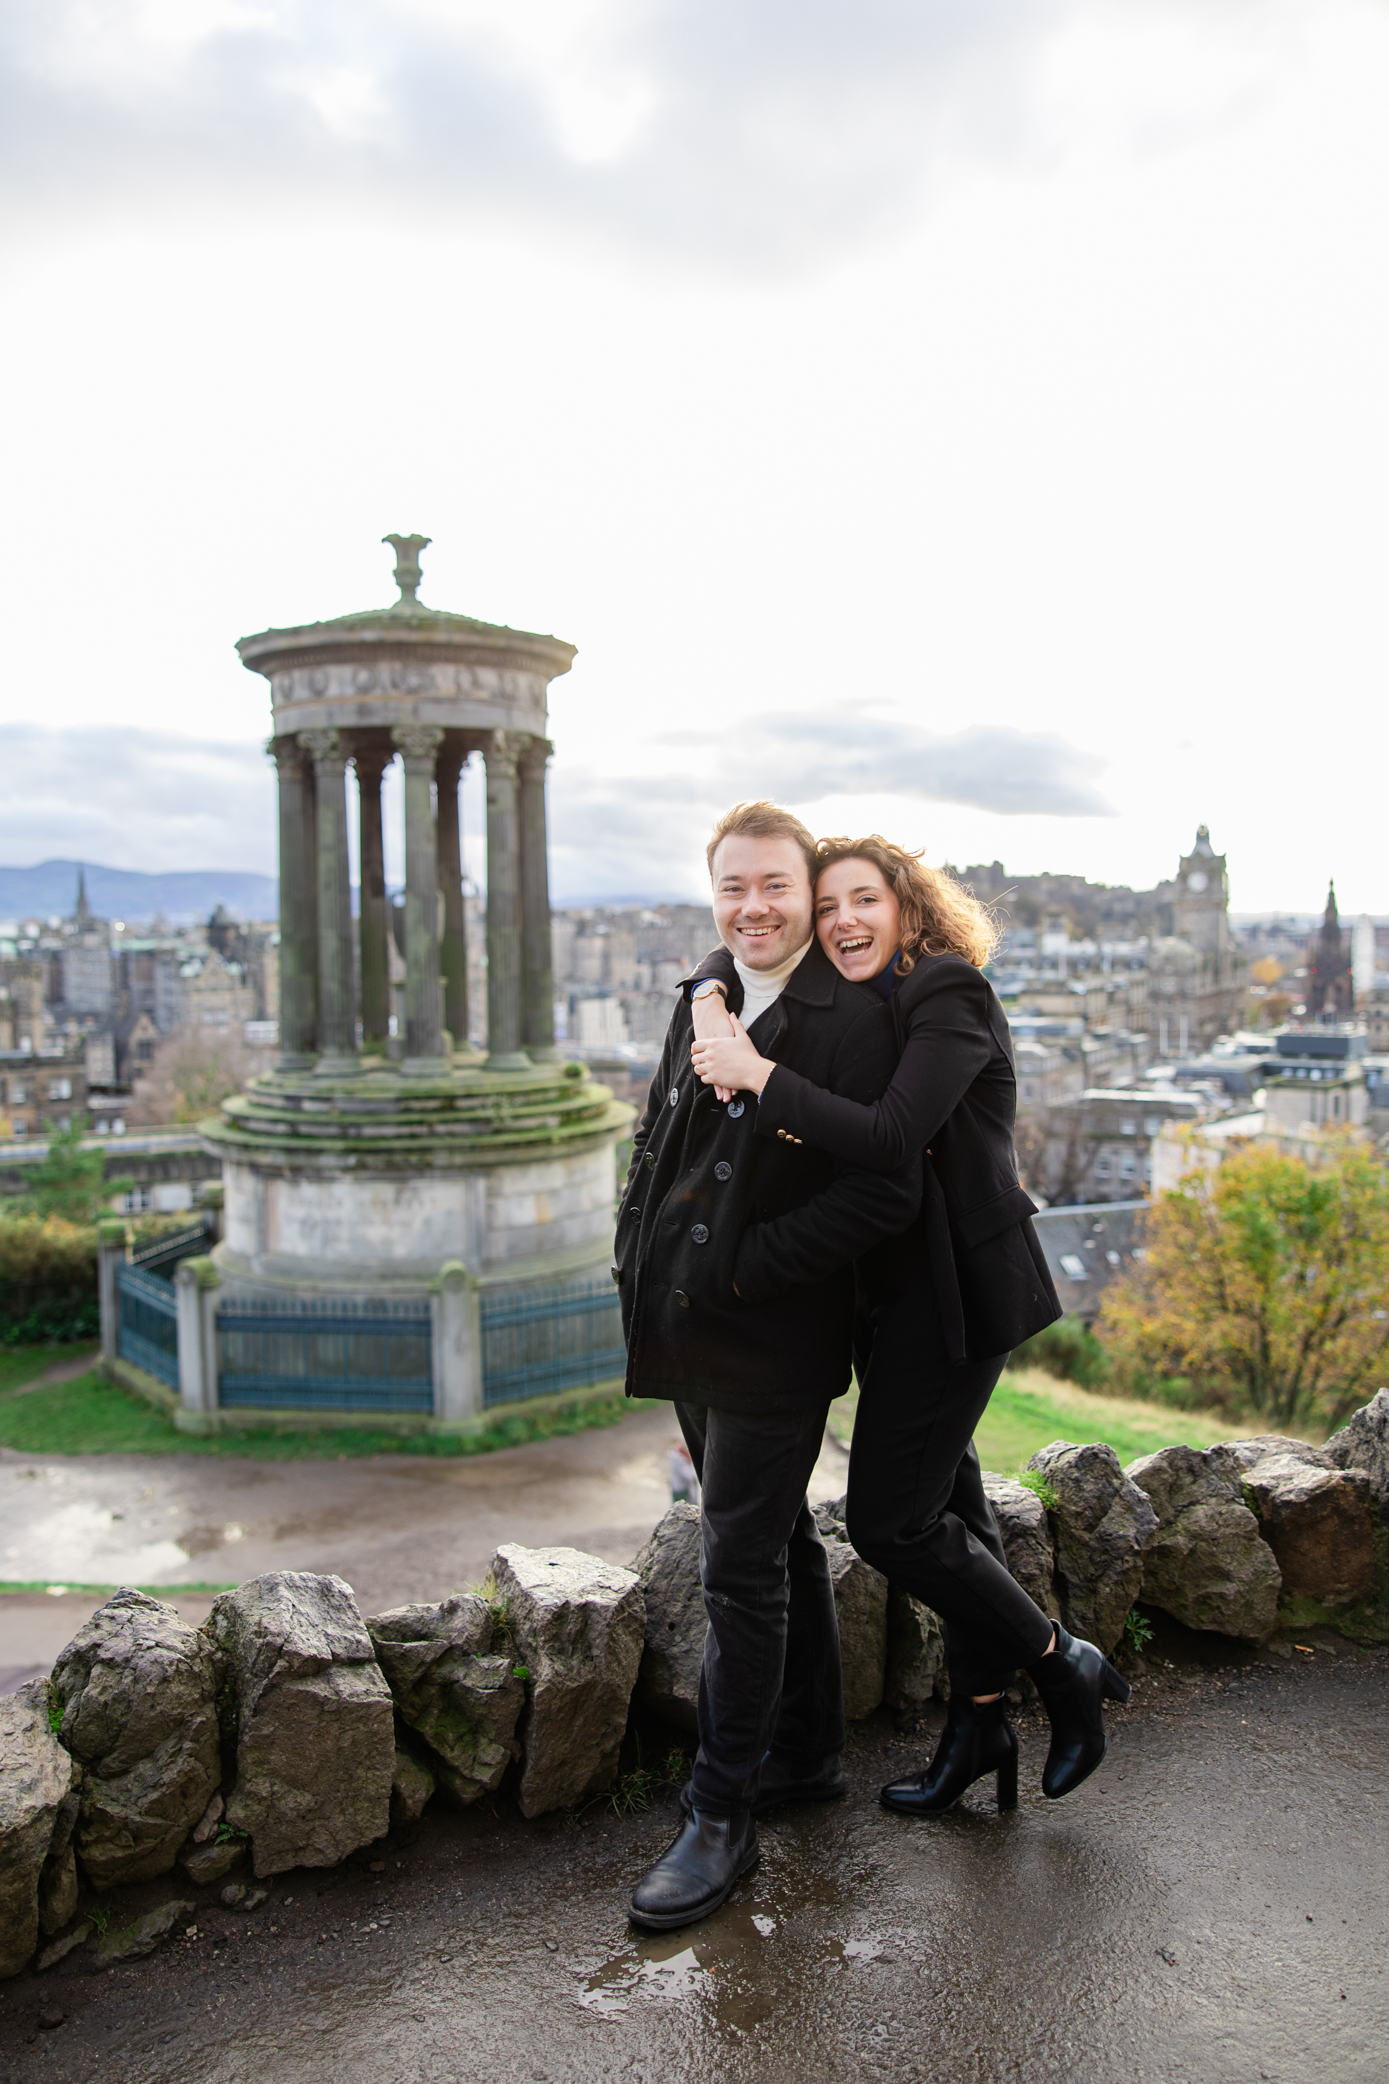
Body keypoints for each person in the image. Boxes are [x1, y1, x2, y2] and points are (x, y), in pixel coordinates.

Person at [688, 835, 1132, 1819]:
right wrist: (713, 986)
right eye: (829, 903)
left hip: (959, 1293)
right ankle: (977, 1725)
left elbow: (892, 1136)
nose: (844, 919)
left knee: (892, 1520)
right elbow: (732, 957)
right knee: (955, 1509)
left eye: (865, 900)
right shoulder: (869, 1004)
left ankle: (1064, 1662)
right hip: (895, 1297)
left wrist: (758, 1073)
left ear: (908, 906)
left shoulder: (945, 992)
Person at [617, 802, 921, 1932]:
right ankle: (805, 1752)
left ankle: (721, 1814)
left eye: (775, 888)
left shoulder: (850, 1021)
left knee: (735, 1566)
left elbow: (885, 1189)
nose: (754, 908)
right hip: (686, 1324)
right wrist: (633, 1247)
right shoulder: (707, 994)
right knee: (780, 1538)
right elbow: (663, 1132)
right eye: (733, 888)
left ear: (809, 892)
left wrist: (751, 1270)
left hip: (770, 1335)